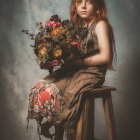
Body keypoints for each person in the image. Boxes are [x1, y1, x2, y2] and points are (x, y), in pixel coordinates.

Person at [27, 0, 117, 140]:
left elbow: (105, 57)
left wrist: (80, 62)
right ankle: (52, 123)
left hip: (93, 72)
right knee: (46, 86)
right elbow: (69, 52)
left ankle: (69, 130)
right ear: (75, 5)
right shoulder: (75, 26)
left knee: (70, 93)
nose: (83, 6)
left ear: (98, 5)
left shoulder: (100, 25)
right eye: (79, 2)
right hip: (75, 70)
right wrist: (54, 56)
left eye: (89, 2)